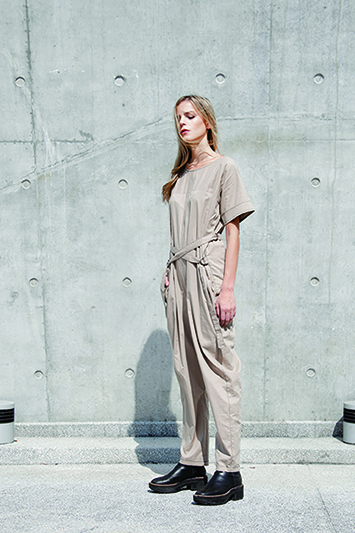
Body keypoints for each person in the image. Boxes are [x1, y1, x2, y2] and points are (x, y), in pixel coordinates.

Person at [149, 95, 254, 506]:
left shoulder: (224, 168)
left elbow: (233, 232)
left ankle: (230, 471)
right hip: (178, 278)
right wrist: (169, 273)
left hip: (207, 275)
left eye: (190, 116)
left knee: (219, 371)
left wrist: (226, 287)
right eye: (178, 118)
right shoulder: (180, 173)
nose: (183, 123)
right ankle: (193, 463)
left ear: (207, 121)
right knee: (186, 370)